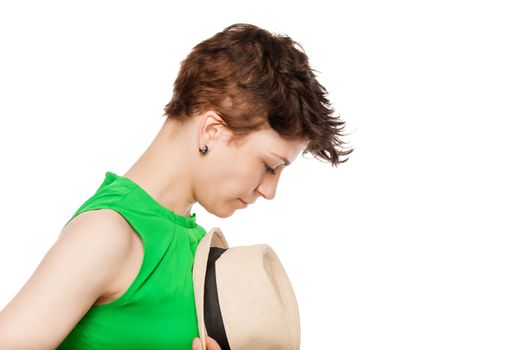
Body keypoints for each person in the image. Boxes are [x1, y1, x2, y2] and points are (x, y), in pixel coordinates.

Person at [0, 23, 353, 349]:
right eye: (269, 166)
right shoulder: (110, 234)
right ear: (212, 131)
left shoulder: (197, 246)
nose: (270, 190)